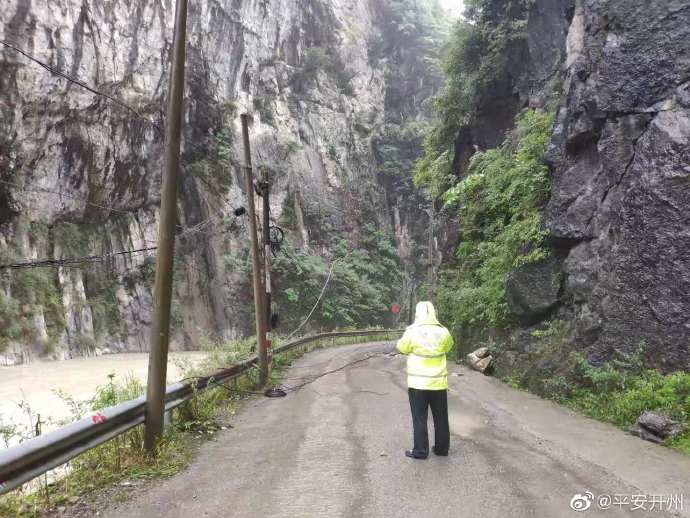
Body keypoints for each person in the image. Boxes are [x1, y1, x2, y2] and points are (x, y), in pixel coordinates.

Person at [396, 301, 454, 459]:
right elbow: (449, 347)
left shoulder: (412, 331)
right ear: (434, 312)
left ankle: (421, 451)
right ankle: (442, 449)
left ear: (417, 313)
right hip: (438, 383)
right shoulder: (443, 331)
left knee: (419, 418)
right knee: (441, 417)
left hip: (418, 384)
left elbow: (402, 347)